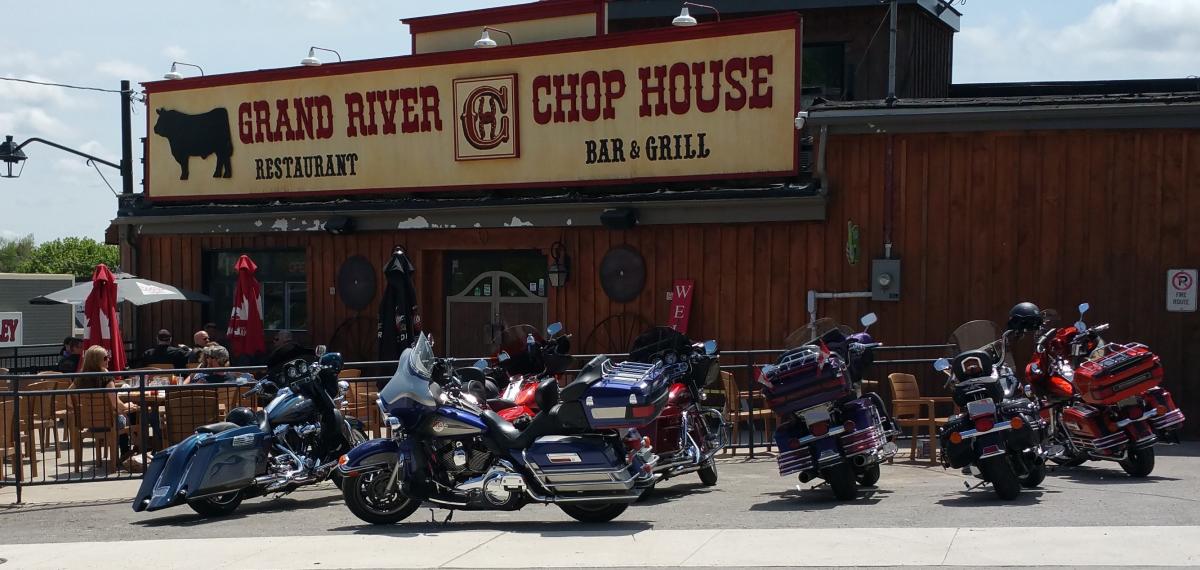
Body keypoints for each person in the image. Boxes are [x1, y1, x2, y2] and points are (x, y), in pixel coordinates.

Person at [74, 345, 143, 470]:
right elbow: (116, 404)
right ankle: (127, 450)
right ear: (96, 361)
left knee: (121, 415)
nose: (108, 359)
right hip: (108, 423)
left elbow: (69, 400)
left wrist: (81, 406)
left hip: (89, 424)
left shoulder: (80, 378)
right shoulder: (106, 378)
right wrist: (127, 406)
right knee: (130, 414)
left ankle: (126, 451)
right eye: (105, 358)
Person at [185, 345, 253, 384]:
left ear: (217, 360)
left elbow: (183, 389)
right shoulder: (234, 379)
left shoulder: (203, 381)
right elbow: (250, 378)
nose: (207, 359)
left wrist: (195, 372)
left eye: (209, 357)